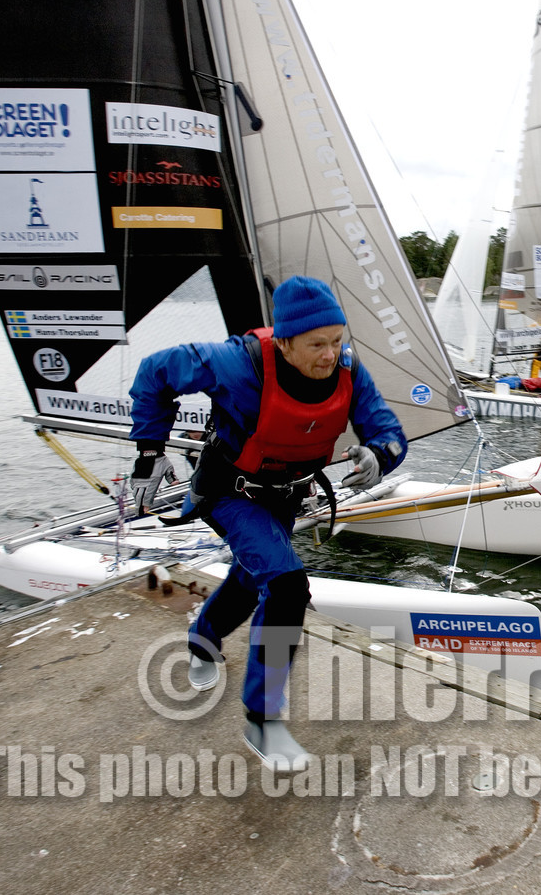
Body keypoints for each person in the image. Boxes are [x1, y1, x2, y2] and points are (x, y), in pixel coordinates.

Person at [127, 276, 405, 772]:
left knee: (251, 575)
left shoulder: (347, 370)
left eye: (338, 340)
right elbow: (155, 371)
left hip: (285, 495)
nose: (330, 355)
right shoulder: (237, 363)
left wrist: (380, 454)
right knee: (287, 587)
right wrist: (151, 451)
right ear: (283, 343)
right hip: (228, 494)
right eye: (317, 344)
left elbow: (385, 427)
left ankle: (203, 638)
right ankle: (262, 718)